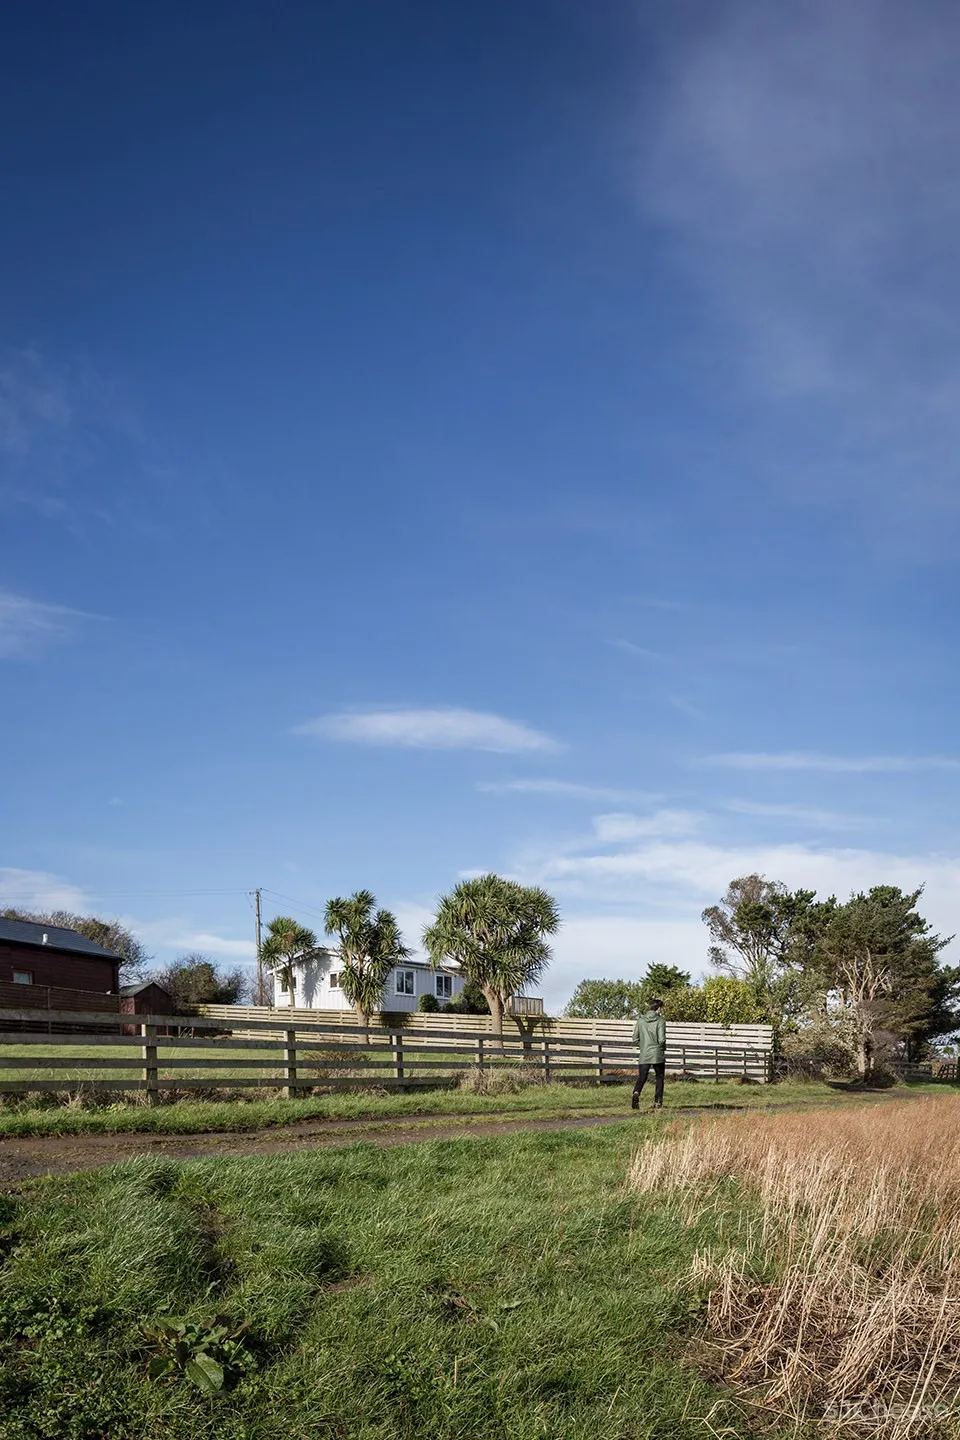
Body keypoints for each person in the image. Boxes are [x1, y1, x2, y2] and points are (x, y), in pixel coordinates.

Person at [631, 998, 666, 1110]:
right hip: (657, 1054)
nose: (662, 1011)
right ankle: (658, 1102)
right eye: (661, 1008)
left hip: (644, 1053)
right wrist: (662, 1048)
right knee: (659, 1077)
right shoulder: (660, 1021)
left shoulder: (640, 1021)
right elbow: (661, 1040)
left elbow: (635, 1038)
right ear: (658, 1008)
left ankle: (636, 1092)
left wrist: (643, 1046)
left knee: (642, 1077)